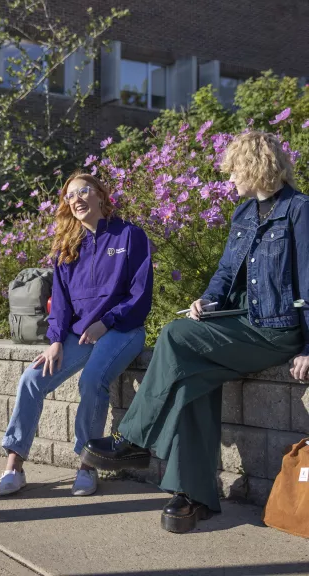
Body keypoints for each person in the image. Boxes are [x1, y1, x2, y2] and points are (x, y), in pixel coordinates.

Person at [81, 131, 309, 533]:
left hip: (277, 330)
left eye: (235, 168)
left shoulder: (299, 211)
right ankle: (196, 495)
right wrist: (207, 301)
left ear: (256, 166)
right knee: (187, 379)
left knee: (174, 336)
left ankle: (134, 440)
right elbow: (224, 273)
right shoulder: (243, 214)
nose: (230, 177)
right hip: (240, 322)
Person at [0, 171, 153, 497]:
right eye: (71, 195)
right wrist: (55, 341)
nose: (78, 198)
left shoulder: (129, 236)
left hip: (123, 329)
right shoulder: (66, 247)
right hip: (77, 334)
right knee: (31, 380)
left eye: (84, 191)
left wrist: (107, 322)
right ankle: (14, 463)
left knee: (91, 380)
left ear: (100, 195)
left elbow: (140, 296)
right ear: (67, 204)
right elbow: (61, 306)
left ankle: (87, 463)